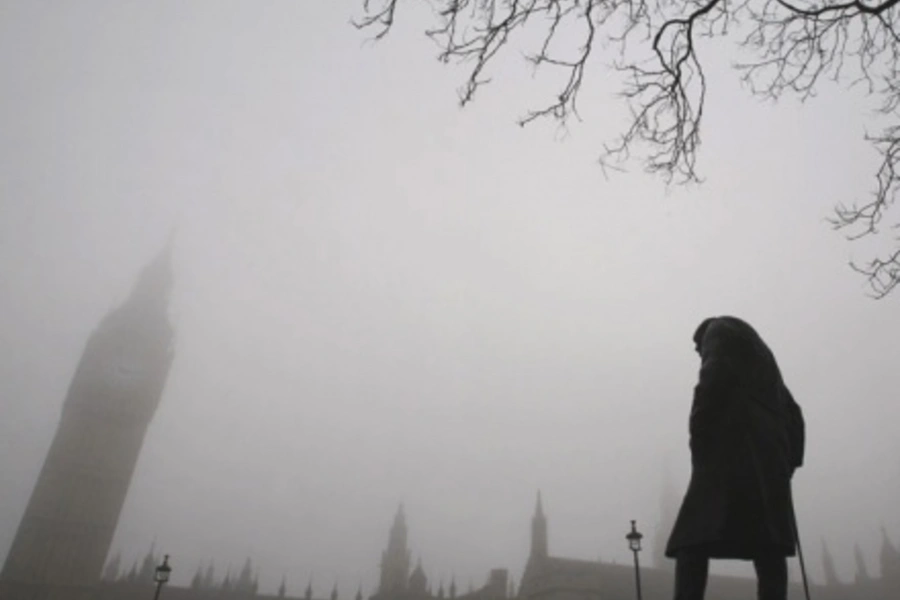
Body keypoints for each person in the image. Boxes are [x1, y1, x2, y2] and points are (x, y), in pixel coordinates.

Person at [666, 316, 805, 600]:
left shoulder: (719, 330)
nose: (699, 353)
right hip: (770, 461)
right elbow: (795, 416)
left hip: (729, 450)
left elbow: (711, 378)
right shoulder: (764, 363)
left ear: (702, 336)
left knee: (690, 539)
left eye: (698, 349)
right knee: (769, 546)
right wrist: (788, 463)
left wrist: (699, 435)